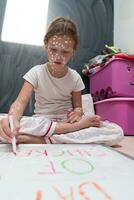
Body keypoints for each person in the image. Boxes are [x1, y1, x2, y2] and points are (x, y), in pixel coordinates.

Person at [0, 16, 101, 144]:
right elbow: (19, 102)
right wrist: (12, 118)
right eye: (53, 50)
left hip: (65, 123)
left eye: (65, 52)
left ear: (73, 51)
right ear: (46, 45)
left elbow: (78, 108)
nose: (58, 57)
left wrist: (77, 114)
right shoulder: (36, 72)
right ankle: (51, 137)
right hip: (42, 123)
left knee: (114, 131)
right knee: (6, 121)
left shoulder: (74, 77)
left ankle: (33, 139)